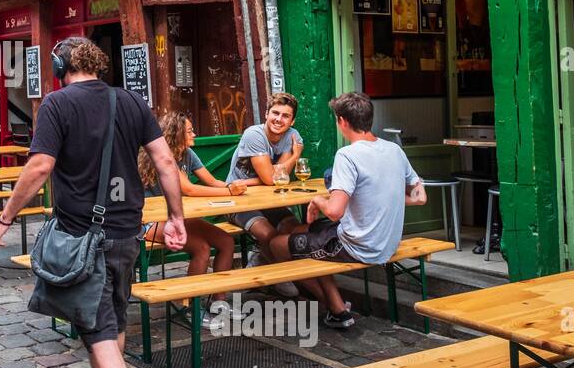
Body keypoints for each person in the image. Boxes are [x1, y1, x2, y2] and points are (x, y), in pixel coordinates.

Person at [0, 37, 187, 368]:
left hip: (83, 237)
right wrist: (176, 217)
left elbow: (39, 167)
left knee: (96, 331)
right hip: (126, 232)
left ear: (59, 65)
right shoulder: (131, 101)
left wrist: (5, 217)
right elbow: (167, 162)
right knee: (112, 318)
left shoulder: (57, 106)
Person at [270, 92, 427, 329]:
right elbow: (419, 197)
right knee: (303, 231)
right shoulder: (394, 150)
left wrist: (317, 201)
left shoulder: (348, 155)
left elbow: (334, 211)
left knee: (275, 245)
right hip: (388, 243)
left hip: (360, 246)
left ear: (342, 121)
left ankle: (336, 308)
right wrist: (383, 197)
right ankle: (338, 308)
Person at [138, 112, 245, 325]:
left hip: (178, 216)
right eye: (189, 131)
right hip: (150, 220)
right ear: (176, 134)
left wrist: (234, 186)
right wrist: (230, 193)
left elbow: (212, 181)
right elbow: (189, 189)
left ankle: (218, 301)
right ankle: (191, 308)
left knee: (226, 241)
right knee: (202, 248)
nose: (194, 134)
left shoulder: (187, 153)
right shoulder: (162, 154)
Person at [225, 92, 305, 262]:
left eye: (285, 116)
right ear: (267, 114)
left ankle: (264, 262)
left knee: (295, 229)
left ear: (292, 121)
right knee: (269, 235)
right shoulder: (254, 134)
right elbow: (271, 179)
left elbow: (280, 177)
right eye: (275, 113)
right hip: (239, 200)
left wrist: (273, 173)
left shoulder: (293, 135)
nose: (279, 119)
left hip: (270, 200)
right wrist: (294, 156)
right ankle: (275, 273)